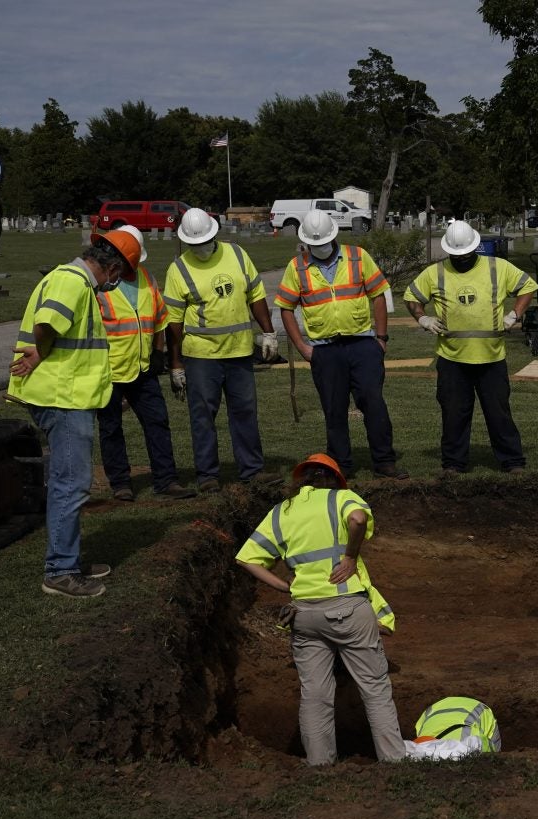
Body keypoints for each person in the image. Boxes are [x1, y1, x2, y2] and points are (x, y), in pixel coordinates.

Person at [235, 453, 405, 765]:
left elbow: (246, 558)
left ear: (301, 480)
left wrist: (283, 586)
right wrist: (350, 557)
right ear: (336, 480)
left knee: (315, 696)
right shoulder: (342, 499)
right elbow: (358, 520)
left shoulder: (281, 511)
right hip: (348, 609)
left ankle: (320, 768)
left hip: (304, 615)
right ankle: (394, 764)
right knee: (375, 690)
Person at [8, 231, 140, 598]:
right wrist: (39, 352)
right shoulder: (72, 281)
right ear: (112, 267)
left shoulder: (75, 281)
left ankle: (68, 559)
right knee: (72, 483)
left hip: (69, 397)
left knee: (71, 481)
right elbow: (47, 325)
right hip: (61, 398)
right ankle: (60, 571)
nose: (119, 281)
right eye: (121, 274)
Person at [275, 211, 407, 480]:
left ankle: (384, 462)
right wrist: (302, 347)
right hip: (324, 350)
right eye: (314, 244)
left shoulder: (358, 256)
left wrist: (381, 339)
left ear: (334, 235)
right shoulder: (297, 266)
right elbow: (286, 308)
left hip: (362, 345)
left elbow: (379, 295)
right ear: (306, 243)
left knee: (373, 404)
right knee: (334, 410)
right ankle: (341, 466)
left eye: (323, 242)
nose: (319, 247)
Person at [404, 221, 538, 475]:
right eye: (457, 254)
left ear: (475, 247)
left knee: (499, 413)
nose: (462, 258)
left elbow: (527, 287)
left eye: (465, 252)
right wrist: (422, 317)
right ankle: (454, 463)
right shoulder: (436, 272)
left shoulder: (496, 267)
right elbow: (412, 297)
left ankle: (512, 461)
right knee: (454, 414)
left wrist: (514, 315)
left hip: (491, 356)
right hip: (452, 357)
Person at [164, 208, 279, 492]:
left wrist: (268, 332)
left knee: (245, 413)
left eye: (204, 241)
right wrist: (176, 364)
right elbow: (174, 323)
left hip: (239, 352)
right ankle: (208, 476)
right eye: (195, 244)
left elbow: (256, 295)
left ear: (214, 234)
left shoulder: (237, 255)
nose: (200, 247)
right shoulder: (178, 269)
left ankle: (251, 471)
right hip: (201, 357)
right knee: (203, 416)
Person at [95, 225, 195, 502]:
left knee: (157, 422)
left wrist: (159, 354)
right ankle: (120, 483)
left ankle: (166, 480)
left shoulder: (146, 277)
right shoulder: (98, 283)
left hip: (143, 368)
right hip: (109, 369)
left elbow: (159, 318)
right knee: (111, 427)